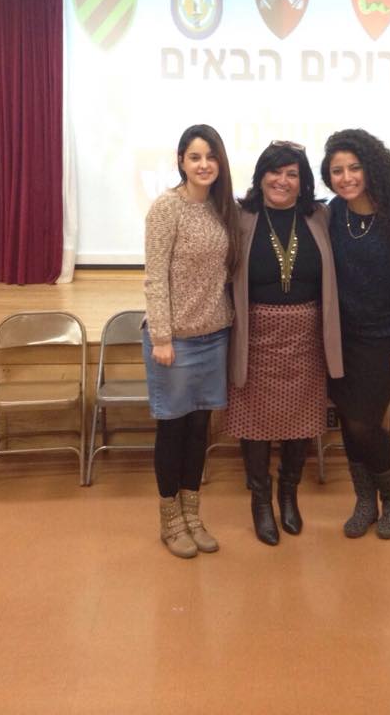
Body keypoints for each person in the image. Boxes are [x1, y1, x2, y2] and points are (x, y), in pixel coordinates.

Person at [226, 141, 343, 545]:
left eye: (292, 174)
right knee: (254, 424)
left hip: (308, 337)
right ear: (260, 176)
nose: (282, 180)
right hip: (254, 335)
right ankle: (261, 501)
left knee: (301, 422)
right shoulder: (240, 217)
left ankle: (289, 494)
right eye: (274, 172)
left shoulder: (319, 216)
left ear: (303, 181)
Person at [321, 128, 390, 540]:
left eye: (354, 167)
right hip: (339, 341)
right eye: (337, 170)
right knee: (350, 423)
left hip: (383, 342)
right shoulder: (332, 215)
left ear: (371, 168)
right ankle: (365, 501)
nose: (346, 177)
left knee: (365, 422)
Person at [142, 124, 239, 559]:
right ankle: (171, 520)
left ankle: (193, 514)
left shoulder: (224, 208)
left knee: (200, 429)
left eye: (211, 156)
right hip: (175, 342)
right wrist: (162, 336)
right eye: (195, 157)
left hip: (214, 336)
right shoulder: (167, 208)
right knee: (173, 428)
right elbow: (155, 276)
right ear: (181, 161)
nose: (204, 165)